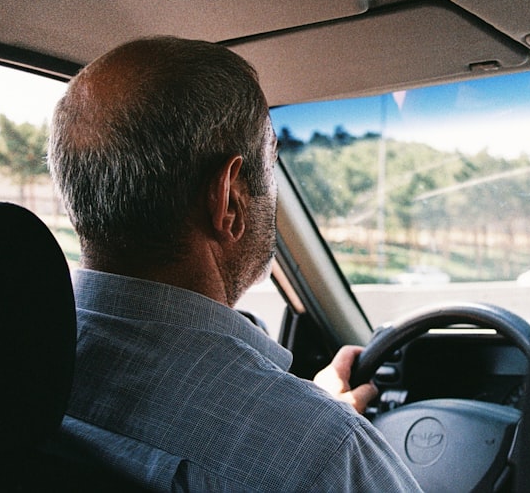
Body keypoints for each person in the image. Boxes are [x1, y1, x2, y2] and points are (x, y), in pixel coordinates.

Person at [48, 37, 421, 491]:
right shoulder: (324, 455)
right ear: (227, 198)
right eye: (272, 161)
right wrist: (303, 427)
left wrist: (297, 418)